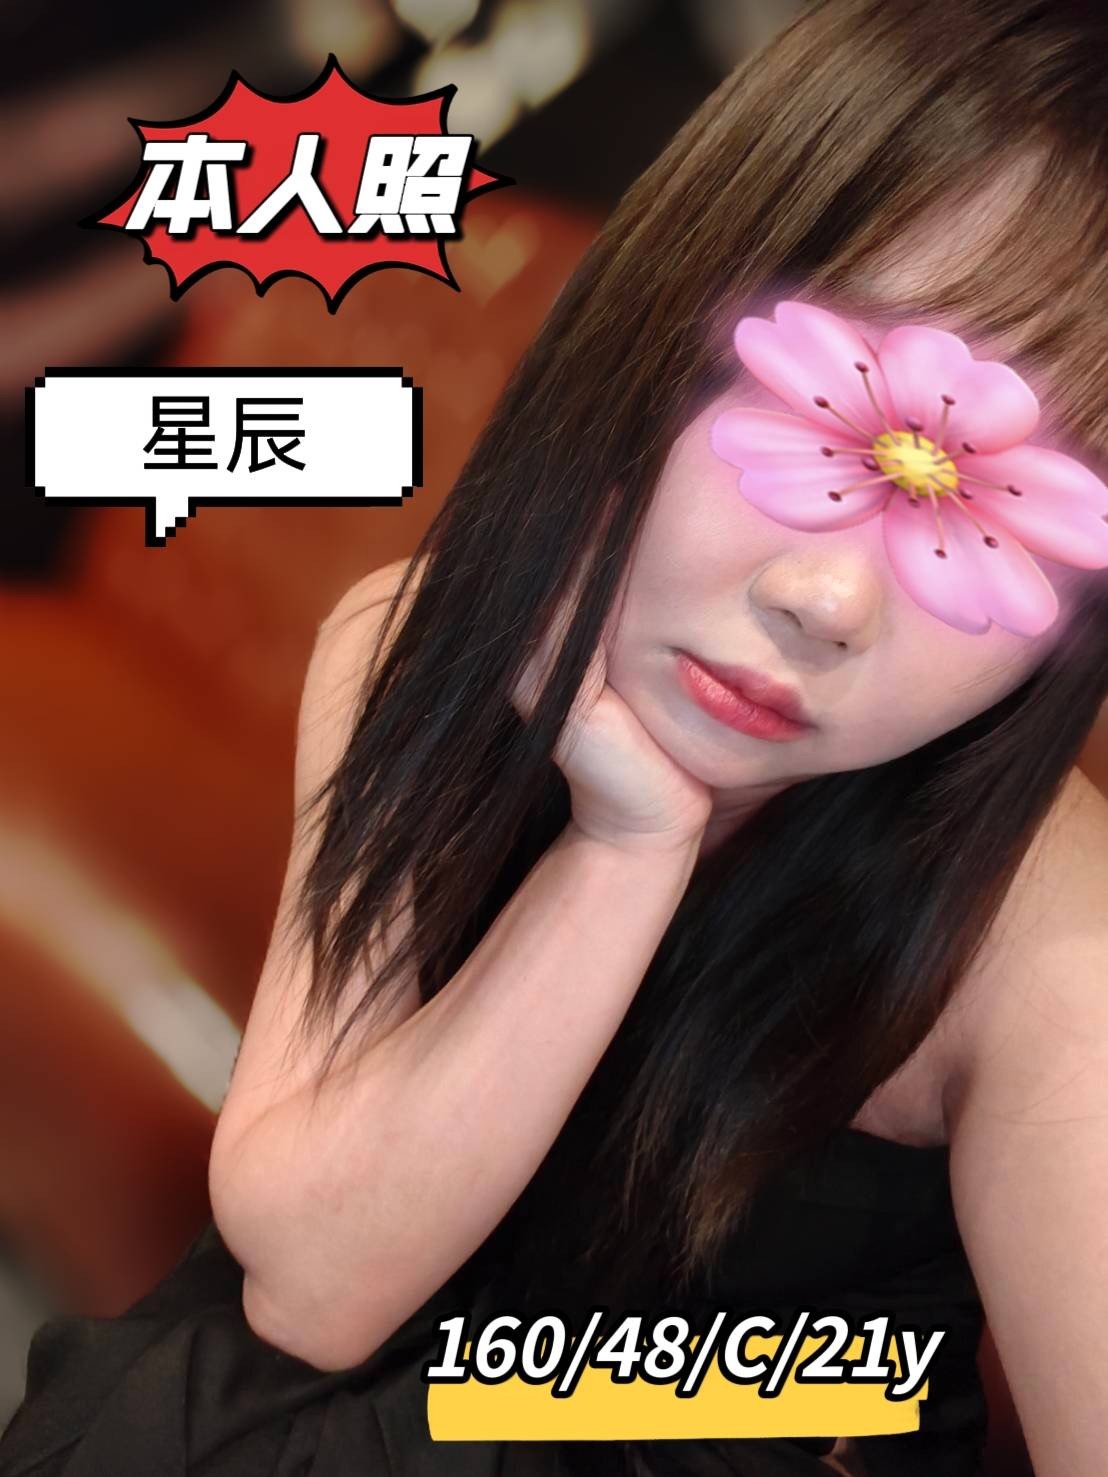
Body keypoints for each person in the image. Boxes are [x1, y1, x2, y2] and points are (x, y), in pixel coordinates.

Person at [4, 1, 1108, 1474]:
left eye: (991, 507)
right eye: (820, 419)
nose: (828, 599)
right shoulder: (412, 640)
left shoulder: (1046, 941)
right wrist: (625, 847)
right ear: (653, 327)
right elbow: (313, 1281)